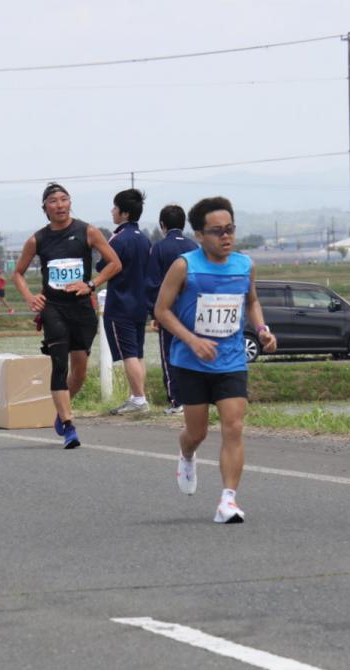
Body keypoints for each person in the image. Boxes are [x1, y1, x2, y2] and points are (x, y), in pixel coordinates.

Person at [154, 196, 277, 524]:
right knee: (197, 432)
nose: (226, 237)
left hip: (231, 360)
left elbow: (251, 302)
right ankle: (186, 454)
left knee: (234, 427)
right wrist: (192, 340)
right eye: (217, 231)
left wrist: (262, 329)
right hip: (190, 362)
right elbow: (161, 311)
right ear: (199, 235)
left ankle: (228, 501)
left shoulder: (244, 265)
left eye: (230, 229)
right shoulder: (185, 266)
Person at [11, 182, 122, 449]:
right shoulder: (37, 239)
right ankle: (69, 424)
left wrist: (92, 284)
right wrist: (30, 297)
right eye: (53, 201)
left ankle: (61, 411)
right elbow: (17, 274)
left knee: (79, 371)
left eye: (64, 199)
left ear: (70, 203)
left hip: (82, 308)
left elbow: (115, 263)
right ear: (45, 208)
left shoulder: (87, 231)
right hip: (54, 308)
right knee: (59, 365)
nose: (60, 205)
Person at [98, 188, 153, 415]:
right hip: (141, 303)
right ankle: (137, 396)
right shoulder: (145, 239)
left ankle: (139, 399)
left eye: (115, 207)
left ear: (125, 213)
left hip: (121, 303)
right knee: (138, 353)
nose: (112, 211)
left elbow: (103, 267)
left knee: (128, 353)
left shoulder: (119, 239)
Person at [146, 204, 198, 414]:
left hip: (169, 312)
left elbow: (152, 283)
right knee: (193, 352)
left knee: (170, 354)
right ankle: (196, 400)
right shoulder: (195, 246)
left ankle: (177, 401)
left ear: (162, 225)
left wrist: (154, 313)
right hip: (194, 310)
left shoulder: (159, 248)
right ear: (184, 223)